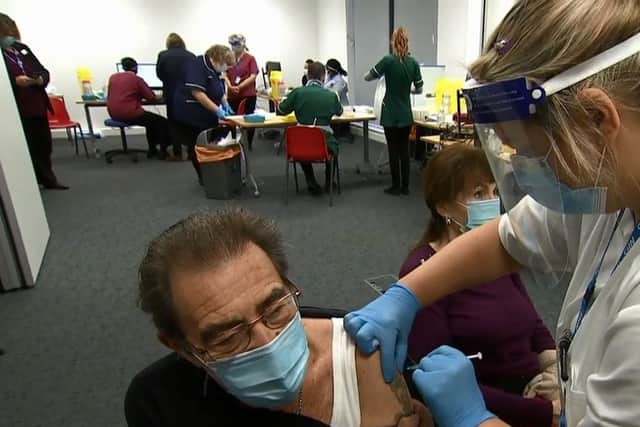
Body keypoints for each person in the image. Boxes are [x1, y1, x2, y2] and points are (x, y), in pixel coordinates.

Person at [344, 1, 640, 426]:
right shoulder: (611, 187)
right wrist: (405, 295)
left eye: (532, 152)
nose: (521, 168)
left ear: (597, 119)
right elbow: (509, 238)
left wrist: (472, 418)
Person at [127, 207, 432, 427]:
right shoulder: (157, 401)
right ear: (182, 348)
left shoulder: (370, 349)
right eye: (228, 336)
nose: (266, 341)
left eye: (274, 309)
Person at [401, 144, 559, 427]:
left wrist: (553, 368)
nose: (491, 201)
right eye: (478, 194)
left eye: (494, 192)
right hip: (487, 410)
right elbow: (443, 384)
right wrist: (543, 412)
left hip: (537, 391)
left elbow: (533, 323)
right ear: (442, 206)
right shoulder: (421, 272)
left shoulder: (497, 253)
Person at [1, 13, 68, 190]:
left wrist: (38, 79)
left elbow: (43, 71)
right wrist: (14, 81)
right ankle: (26, 185)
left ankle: (48, 179)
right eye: (5, 33)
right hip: (16, 108)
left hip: (36, 104)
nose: (10, 37)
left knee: (43, 144)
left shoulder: (22, 49)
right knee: (24, 148)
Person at [365, 27, 423, 196]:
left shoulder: (387, 60)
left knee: (393, 149)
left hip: (390, 112)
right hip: (405, 113)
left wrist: (379, 76)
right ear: (407, 42)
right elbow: (419, 89)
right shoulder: (413, 63)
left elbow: (368, 77)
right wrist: (408, 90)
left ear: (392, 42)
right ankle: (405, 187)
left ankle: (395, 186)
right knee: (404, 150)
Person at [277, 62, 343, 196]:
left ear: (307, 76)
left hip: (299, 143)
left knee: (302, 148)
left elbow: (281, 111)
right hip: (323, 141)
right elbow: (340, 112)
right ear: (323, 77)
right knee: (334, 148)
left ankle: (310, 180)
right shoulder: (330, 95)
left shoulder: (297, 92)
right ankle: (329, 182)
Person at [172, 45, 235, 184]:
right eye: (226, 64)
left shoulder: (213, 68)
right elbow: (198, 93)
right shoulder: (197, 66)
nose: (227, 67)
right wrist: (217, 110)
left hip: (205, 112)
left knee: (211, 140)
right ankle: (204, 177)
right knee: (198, 144)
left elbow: (218, 87)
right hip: (190, 112)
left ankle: (214, 172)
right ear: (217, 58)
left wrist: (224, 102)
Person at [107, 57, 169, 159]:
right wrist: (159, 96)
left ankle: (152, 149)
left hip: (113, 113)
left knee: (150, 122)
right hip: (130, 113)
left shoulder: (113, 77)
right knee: (161, 122)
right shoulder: (136, 79)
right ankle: (162, 151)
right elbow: (150, 97)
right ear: (135, 67)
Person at [156, 32, 196, 160]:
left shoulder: (163, 55)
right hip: (189, 93)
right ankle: (191, 152)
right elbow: (195, 75)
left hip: (171, 92)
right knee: (190, 123)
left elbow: (159, 74)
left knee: (173, 124)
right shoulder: (191, 56)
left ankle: (177, 153)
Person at [225, 34, 258, 150]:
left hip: (247, 94)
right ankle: (233, 142)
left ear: (243, 44)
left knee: (249, 120)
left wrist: (240, 86)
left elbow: (253, 76)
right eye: (232, 45)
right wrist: (229, 86)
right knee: (232, 119)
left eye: (236, 45)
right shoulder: (228, 58)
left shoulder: (250, 59)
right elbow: (224, 73)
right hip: (232, 95)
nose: (234, 48)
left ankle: (248, 143)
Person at [324, 58, 352, 143]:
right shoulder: (329, 78)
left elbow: (333, 95)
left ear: (332, 70)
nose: (327, 72)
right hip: (333, 108)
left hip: (341, 108)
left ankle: (340, 134)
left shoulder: (340, 81)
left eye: (328, 70)